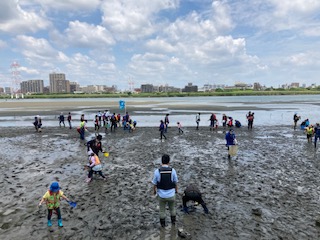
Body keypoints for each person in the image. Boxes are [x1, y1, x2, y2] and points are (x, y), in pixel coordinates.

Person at [152, 154, 178, 227]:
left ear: (161, 162)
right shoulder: (173, 171)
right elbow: (175, 182)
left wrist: (154, 191)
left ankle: (163, 225)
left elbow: (154, 184)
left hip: (161, 195)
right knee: (172, 209)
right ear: (169, 162)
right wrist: (176, 191)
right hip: (171, 195)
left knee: (162, 210)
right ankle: (173, 222)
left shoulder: (157, 171)